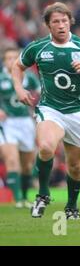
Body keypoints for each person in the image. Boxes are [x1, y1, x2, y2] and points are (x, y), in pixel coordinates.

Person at [12, 2, 80, 219]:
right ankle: (43, 194)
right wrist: (19, 88)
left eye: (64, 20)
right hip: (50, 109)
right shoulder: (37, 48)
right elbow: (17, 66)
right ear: (48, 25)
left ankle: (72, 206)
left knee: (75, 167)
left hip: (77, 112)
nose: (61, 25)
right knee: (46, 147)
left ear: (70, 22)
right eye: (55, 21)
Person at [0, 48, 39, 208]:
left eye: (15, 58)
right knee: (11, 159)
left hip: (26, 122)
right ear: (4, 62)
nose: (12, 61)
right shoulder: (1, 78)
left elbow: (41, 94)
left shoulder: (29, 77)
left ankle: (23, 197)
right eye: (9, 58)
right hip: (7, 123)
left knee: (27, 164)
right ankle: (17, 200)